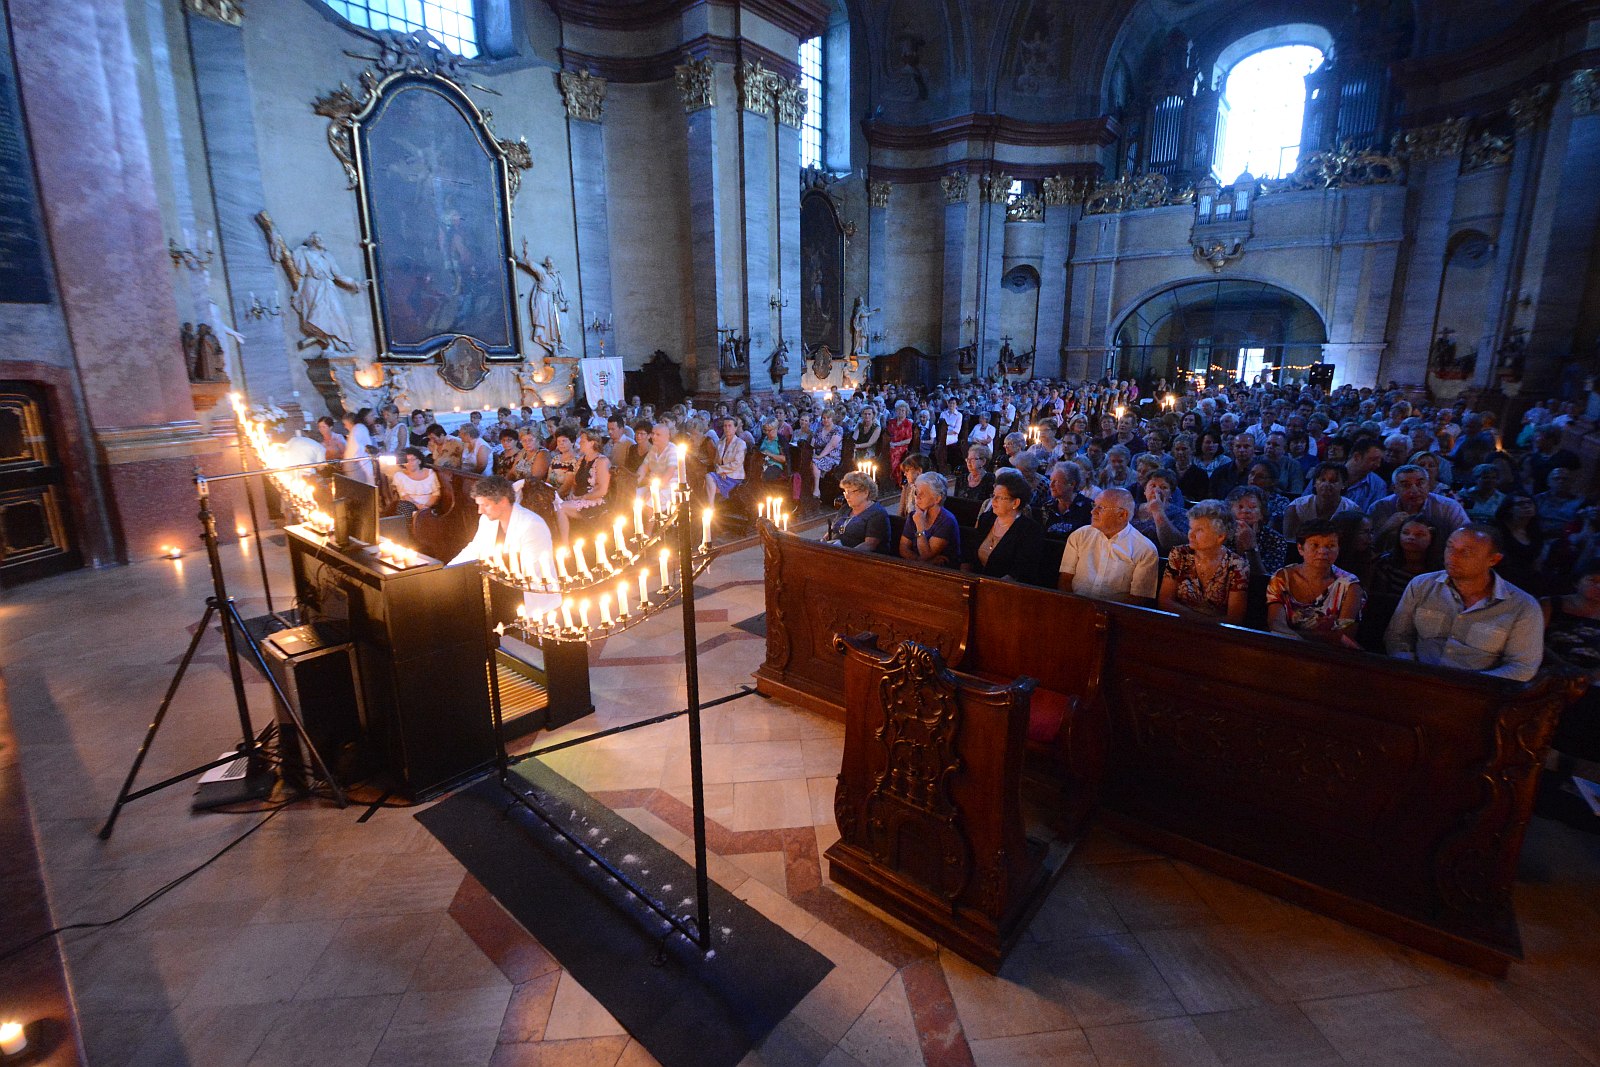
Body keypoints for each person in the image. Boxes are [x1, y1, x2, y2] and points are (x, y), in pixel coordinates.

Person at [1384, 524, 1544, 681]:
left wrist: (1468, 686)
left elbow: (1522, 667)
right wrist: (1410, 668)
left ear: (1493, 559)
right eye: (1450, 547)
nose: (1452, 557)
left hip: (1476, 694)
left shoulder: (1522, 606)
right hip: (1416, 681)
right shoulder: (1422, 585)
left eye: (1465, 552)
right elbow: (1397, 635)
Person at [450, 476, 560, 617]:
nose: (480, 511)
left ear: (503, 501)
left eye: (485, 505)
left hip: (533, 598)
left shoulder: (532, 525)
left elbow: (531, 570)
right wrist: (449, 570)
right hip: (502, 588)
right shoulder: (487, 520)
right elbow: (475, 548)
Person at [1267, 520, 1364, 648]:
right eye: (1315, 545)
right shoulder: (1282, 578)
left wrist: (1297, 635)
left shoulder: (1350, 586)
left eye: (1330, 546)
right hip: (1286, 648)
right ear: (1300, 548)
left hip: (1330, 654)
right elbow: (1276, 624)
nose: (1323, 551)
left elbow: (1344, 635)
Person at [1056, 488, 1159, 605]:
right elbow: (1065, 581)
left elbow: (1138, 599)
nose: (1092, 511)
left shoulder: (1145, 549)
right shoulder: (1080, 536)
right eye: (1094, 505)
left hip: (1116, 616)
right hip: (1076, 608)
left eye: (1100, 508)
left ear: (1122, 514)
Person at [1542, 562, 1600, 762]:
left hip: (1592, 677)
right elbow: (1532, 641)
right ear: (1577, 582)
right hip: (1550, 667)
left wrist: (1593, 674)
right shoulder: (1551, 604)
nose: (1599, 587)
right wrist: (1563, 666)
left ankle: (1572, 759)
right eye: (1593, 581)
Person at [1158, 500, 1248, 624]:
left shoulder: (1237, 565)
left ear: (1220, 536)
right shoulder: (1179, 554)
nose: (1191, 535)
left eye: (1199, 530)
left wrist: (1204, 625)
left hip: (1219, 634)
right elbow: (1165, 601)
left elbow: (1235, 617)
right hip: (1179, 625)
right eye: (1190, 528)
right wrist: (1197, 621)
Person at [1358, 516, 1437, 652]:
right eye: (1406, 533)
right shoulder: (1384, 563)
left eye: (1419, 534)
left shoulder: (1438, 571)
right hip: (1383, 621)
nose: (1411, 537)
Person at [1366, 464, 1468, 558]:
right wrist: (1386, 527)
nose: (1414, 490)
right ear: (1394, 488)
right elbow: (1368, 546)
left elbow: (1466, 538)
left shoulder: (1448, 507)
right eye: (1406, 485)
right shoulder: (1379, 507)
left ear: (1428, 486)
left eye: (1420, 484)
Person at [964, 468, 1045, 582]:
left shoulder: (1030, 531)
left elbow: (1020, 572)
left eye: (999, 497)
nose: (993, 501)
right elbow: (969, 555)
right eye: (993, 495)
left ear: (1015, 503)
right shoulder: (986, 519)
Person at [1282, 461, 1359, 540]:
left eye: (1333, 481)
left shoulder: (1352, 510)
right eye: (1322, 480)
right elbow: (1290, 541)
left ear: (1344, 484)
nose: (1326, 484)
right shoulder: (1296, 508)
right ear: (1315, 483)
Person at [898, 471, 960, 567]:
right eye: (916, 492)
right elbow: (903, 548)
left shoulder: (947, 521)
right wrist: (919, 561)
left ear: (937, 498)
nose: (917, 497)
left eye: (922, 494)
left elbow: (926, 555)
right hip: (919, 568)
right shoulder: (913, 515)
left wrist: (919, 526)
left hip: (945, 573)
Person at [829, 470, 890, 552]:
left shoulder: (877, 514)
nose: (847, 496)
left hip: (859, 559)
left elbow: (870, 545)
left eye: (851, 492)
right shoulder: (845, 508)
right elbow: (832, 531)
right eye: (846, 492)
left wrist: (845, 555)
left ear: (865, 492)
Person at [1131, 469, 1188, 552]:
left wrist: (1158, 512)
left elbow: (1172, 545)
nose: (1157, 491)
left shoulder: (1181, 514)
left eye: (1164, 487)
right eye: (1153, 486)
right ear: (1145, 490)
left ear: (1170, 494)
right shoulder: (1132, 509)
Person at [1038, 461, 1094, 536]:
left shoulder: (1088, 508)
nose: (1051, 485)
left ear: (1072, 484)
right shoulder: (1047, 507)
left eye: (1056, 481)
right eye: (1051, 480)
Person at [389, 447, 441, 520]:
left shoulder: (430, 473)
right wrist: (417, 505)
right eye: (407, 461)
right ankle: (408, 530)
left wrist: (425, 507)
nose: (409, 463)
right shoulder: (399, 475)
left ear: (419, 461)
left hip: (428, 506)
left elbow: (436, 494)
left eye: (412, 460)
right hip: (409, 505)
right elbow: (403, 495)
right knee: (403, 506)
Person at [706, 416, 746, 503]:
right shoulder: (721, 443)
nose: (727, 428)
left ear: (735, 428)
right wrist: (720, 471)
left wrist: (721, 470)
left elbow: (737, 463)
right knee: (708, 477)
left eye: (729, 426)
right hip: (721, 474)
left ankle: (712, 505)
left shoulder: (740, 443)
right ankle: (711, 505)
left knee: (711, 484)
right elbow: (716, 461)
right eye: (725, 426)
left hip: (734, 476)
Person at [811, 411, 843, 498]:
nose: (825, 420)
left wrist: (819, 456)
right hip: (817, 455)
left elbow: (832, 445)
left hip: (831, 456)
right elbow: (812, 444)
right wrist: (812, 453)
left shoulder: (838, 429)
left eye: (828, 418)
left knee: (815, 462)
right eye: (824, 418)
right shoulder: (819, 429)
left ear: (832, 418)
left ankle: (816, 489)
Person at [887, 401, 915, 485]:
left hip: (902, 445)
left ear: (906, 412)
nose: (901, 412)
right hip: (891, 444)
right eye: (899, 410)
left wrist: (895, 444)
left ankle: (895, 479)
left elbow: (908, 440)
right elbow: (887, 434)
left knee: (893, 453)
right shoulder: (892, 422)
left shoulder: (908, 423)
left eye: (903, 410)